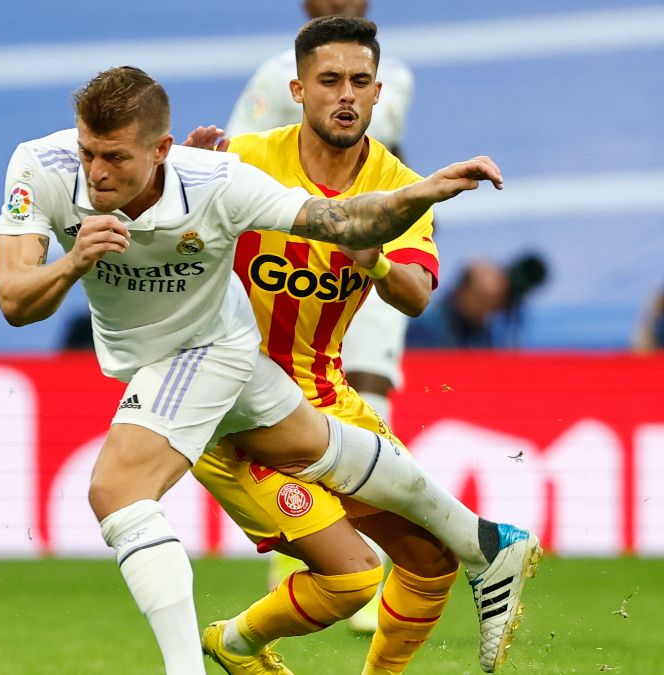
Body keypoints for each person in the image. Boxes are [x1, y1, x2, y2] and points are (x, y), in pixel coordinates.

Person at [0, 65, 538, 674]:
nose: (96, 173)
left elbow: (341, 222)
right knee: (324, 447)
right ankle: (484, 541)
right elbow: (16, 301)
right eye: (88, 152)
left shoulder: (215, 181)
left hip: (211, 349)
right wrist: (72, 263)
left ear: (162, 150)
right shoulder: (39, 167)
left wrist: (425, 191)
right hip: (183, 360)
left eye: (116, 158)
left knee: (117, 493)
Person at [184, 16, 524, 674]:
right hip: (230, 409)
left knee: (430, 562)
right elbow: (164, 240)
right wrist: (182, 184)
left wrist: (369, 260)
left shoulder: (397, 189)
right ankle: (235, 643)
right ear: (299, 90)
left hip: (323, 396)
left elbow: (417, 295)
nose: (345, 93)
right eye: (329, 80)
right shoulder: (246, 161)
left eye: (359, 81)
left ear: (376, 94)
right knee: (353, 579)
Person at [227, 1, 417, 630]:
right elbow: (234, 165)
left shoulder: (399, 77)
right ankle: (303, 556)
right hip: (293, 260)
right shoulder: (274, 74)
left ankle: (369, 564)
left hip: (364, 261)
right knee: (285, 405)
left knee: (369, 387)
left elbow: (387, 158)